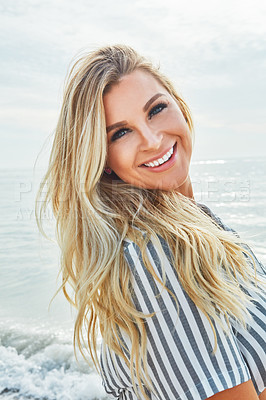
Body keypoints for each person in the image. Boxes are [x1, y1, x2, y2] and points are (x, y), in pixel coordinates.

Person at [35, 44, 266, 400]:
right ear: (104, 158)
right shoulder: (155, 256)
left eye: (156, 109)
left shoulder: (202, 225)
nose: (153, 140)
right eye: (121, 133)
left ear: (178, 104)